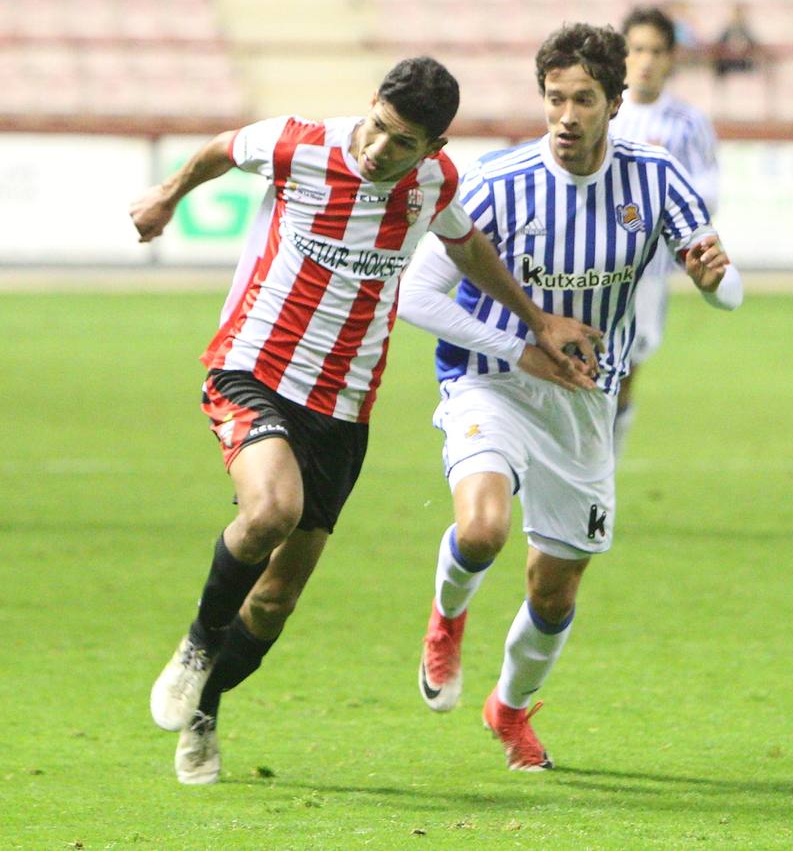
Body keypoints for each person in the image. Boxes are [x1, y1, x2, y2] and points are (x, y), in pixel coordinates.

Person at [130, 56, 602, 785]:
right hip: (253, 368)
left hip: (344, 407)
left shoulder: (434, 185)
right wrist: (166, 197)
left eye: (403, 143)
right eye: (379, 129)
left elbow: (468, 246)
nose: (381, 150)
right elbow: (224, 148)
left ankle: (203, 707)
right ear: (371, 104)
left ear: (432, 149)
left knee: (278, 596)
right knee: (270, 511)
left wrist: (535, 321)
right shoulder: (298, 143)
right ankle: (195, 650)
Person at [401, 23, 743, 772]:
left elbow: (724, 284)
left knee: (553, 589)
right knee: (484, 529)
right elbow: (415, 295)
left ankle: (509, 711)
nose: (566, 114)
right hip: (492, 379)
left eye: (583, 99)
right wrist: (520, 345)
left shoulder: (653, 179)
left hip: (586, 401)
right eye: (555, 98)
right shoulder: (499, 181)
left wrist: (718, 283)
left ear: (615, 103)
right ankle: (446, 619)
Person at [610, 5, 720, 458]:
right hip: (595, 260)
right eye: (637, 49)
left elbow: (706, 195)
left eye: (656, 50)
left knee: (628, 368)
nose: (647, 60)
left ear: (672, 58)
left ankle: (605, 470)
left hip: (650, 270)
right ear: (623, 56)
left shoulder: (688, 124)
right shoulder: (604, 113)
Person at [712, 3, 760, 77]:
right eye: (736, 14)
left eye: (739, 14)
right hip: (728, 61)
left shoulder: (745, 29)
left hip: (743, 61)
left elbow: (753, 42)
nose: (737, 16)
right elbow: (719, 41)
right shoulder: (728, 28)